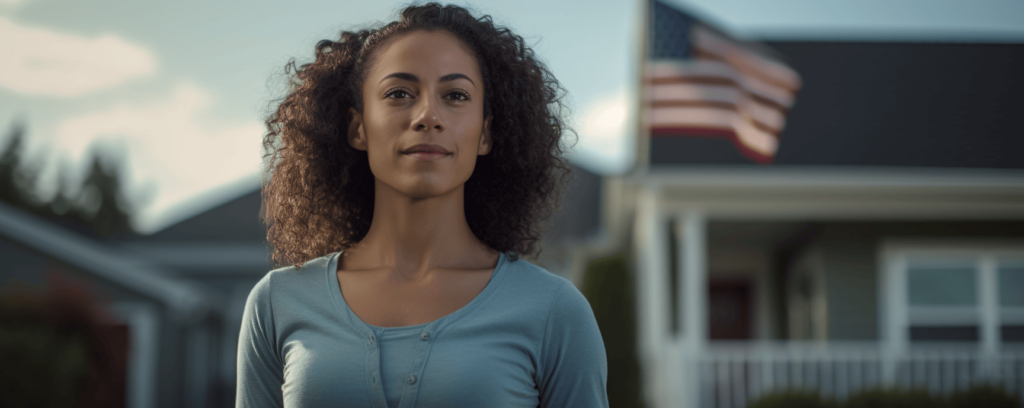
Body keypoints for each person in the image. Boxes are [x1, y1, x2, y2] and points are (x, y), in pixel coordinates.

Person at [237, 3, 608, 407]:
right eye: (399, 93)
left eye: (455, 95)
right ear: (358, 127)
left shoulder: (553, 309)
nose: (428, 115)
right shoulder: (278, 302)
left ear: (485, 135)